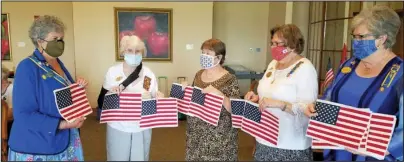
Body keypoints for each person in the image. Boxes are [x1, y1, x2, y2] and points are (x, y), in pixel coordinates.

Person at [305, 5, 403, 161]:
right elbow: (331, 97)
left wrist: (378, 148)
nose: (355, 42)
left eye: (361, 37)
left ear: (382, 39)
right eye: (354, 36)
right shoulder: (348, 65)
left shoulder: (400, 74)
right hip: (336, 153)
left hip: (373, 157)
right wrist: (317, 107)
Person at [8, 15, 88, 161]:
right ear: (40, 41)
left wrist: (78, 89)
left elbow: (61, 94)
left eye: (62, 39)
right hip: (39, 145)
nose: (60, 43)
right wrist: (63, 124)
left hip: (64, 137)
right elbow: (23, 115)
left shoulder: (57, 62)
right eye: (55, 39)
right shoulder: (27, 67)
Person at [244, 24, 318, 161]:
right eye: (272, 43)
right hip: (265, 137)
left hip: (290, 145)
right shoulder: (273, 64)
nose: (273, 47)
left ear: (293, 45)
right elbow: (269, 92)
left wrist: (279, 104)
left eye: (278, 43)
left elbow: (309, 111)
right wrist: (257, 98)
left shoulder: (305, 68)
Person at [102, 35, 163, 161]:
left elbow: (152, 95)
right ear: (123, 51)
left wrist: (157, 96)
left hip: (141, 126)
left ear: (142, 53)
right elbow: (103, 101)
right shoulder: (113, 72)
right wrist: (111, 93)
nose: (134, 54)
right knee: (117, 157)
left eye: (137, 51)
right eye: (130, 50)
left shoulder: (147, 74)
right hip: (118, 125)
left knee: (140, 157)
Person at [185, 38, 241, 161]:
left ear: (219, 58)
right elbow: (195, 99)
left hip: (219, 138)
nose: (203, 56)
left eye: (208, 54)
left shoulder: (230, 79)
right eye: (203, 53)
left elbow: (236, 110)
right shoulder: (199, 74)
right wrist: (186, 90)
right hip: (196, 135)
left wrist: (220, 95)